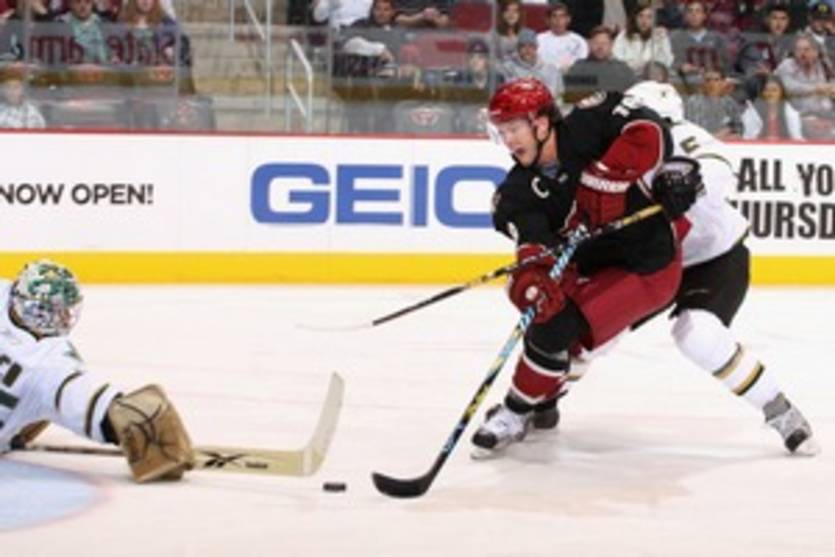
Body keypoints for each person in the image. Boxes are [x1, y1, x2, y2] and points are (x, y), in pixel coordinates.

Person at [519, 81, 818, 457]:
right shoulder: (607, 149)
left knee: (698, 333)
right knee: (586, 331)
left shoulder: (684, 137)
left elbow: (718, 168)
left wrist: (685, 182)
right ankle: (535, 402)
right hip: (648, 260)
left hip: (711, 258)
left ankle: (779, 409)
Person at [471, 77, 697, 453]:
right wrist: (532, 279)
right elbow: (532, 245)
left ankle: (514, 411)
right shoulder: (515, 193)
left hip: (646, 263)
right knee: (545, 315)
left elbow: (652, 132)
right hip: (588, 264)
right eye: (502, 131)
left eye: (514, 129)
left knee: (559, 333)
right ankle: (542, 404)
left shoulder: (591, 121)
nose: (509, 141)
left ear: (541, 122)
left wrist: (607, 177)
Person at [0, 259, 195, 481]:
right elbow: (123, 415)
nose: (66, 317)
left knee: (37, 404)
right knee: (44, 401)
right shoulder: (52, 368)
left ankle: (25, 418)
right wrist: (146, 424)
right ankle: (24, 419)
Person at [563, 24, 636, 104]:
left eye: (604, 43)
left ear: (611, 45)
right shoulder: (579, 66)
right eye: (596, 43)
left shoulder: (622, 68)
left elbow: (634, 91)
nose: (600, 47)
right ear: (590, 44)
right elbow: (570, 95)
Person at [612, 1, 674, 77]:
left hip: (652, 77)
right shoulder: (623, 35)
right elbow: (616, 59)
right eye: (641, 16)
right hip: (626, 76)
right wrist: (636, 65)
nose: (644, 21)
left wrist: (662, 41)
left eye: (649, 17)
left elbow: (667, 62)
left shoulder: (660, 36)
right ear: (635, 18)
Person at [741, 74, 804, 139]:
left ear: (781, 93)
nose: (770, 94)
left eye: (774, 90)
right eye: (766, 90)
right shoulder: (752, 111)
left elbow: (796, 136)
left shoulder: (789, 111)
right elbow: (749, 137)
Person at [536, 2, 588, 72]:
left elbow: (582, 65)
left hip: (570, 76)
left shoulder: (579, 41)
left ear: (568, 19)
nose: (558, 20)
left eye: (562, 16)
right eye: (554, 16)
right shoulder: (538, 39)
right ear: (548, 20)